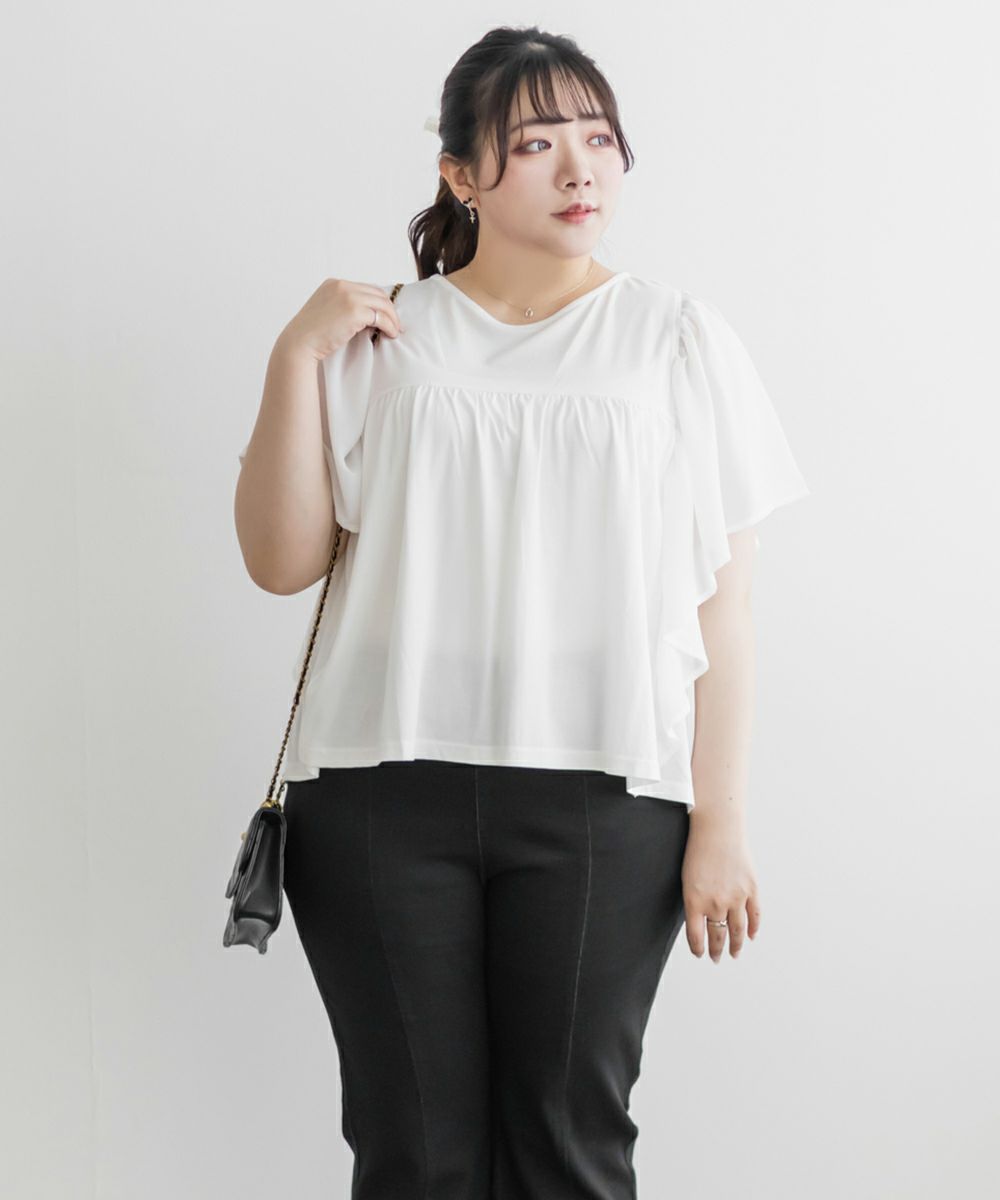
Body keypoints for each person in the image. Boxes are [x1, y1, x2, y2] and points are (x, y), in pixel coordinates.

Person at [234, 24, 810, 1200]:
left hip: (606, 797)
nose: (579, 168)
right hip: (380, 791)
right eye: (537, 143)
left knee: (571, 1151)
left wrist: (719, 821)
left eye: (597, 138)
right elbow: (281, 563)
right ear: (460, 173)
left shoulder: (677, 340)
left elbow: (726, 606)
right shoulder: (381, 339)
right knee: (413, 1155)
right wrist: (296, 356)